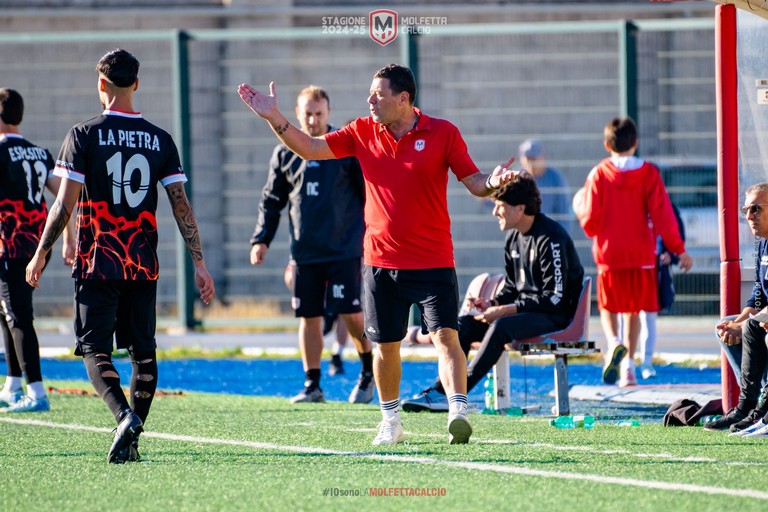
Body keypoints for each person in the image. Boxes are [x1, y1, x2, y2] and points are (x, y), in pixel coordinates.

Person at [238, 63, 516, 445]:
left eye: (378, 94)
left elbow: (475, 182)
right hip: (381, 263)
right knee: (386, 346)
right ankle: (390, 421)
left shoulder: (444, 132)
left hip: (434, 259)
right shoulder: (362, 130)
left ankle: (457, 410)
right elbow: (310, 148)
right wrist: (274, 117)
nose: (370, 99)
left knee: (446, 336)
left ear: (403, 99)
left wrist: (494, 183)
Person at [26, 49, 215, 463]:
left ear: (100, 85)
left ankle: (124, 417)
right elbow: (180, 203)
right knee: (143, 353)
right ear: (137, 84)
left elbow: (64, 204)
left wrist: (41, 252)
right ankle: (133, 439)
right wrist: (199, 262)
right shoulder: (160, 138)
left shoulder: (83, 134)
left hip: (98, 260)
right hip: (142, 262)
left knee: (95, 350)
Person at [402, 173, 584, 411]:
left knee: (501, 327)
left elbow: (555, 297)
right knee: (463, 324)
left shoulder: (551, 238)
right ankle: (440, 392)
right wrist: (490, 303)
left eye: (500, 206)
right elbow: (512, 287)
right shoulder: (513, 238)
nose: (494, 212)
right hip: (525, 313)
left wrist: (505, 310)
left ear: (520, 208)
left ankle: (458, 392)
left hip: (555, 316)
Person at [250, 85, 373, 404]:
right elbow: (272, 200)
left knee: (351, 312)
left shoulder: (343, 147)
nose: (313, 119)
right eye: (308, 113)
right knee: (309, 316)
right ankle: (312, 384)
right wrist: (261, 239)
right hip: (305, 252)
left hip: (344, 249)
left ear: (328, 113)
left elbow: (367, 196)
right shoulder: (284, 151)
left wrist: (369, 239)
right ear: (297, 113)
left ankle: (368, 371)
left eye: (319, 114)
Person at [573, 117, 692, 387]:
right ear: (635, 143)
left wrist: (580, 206)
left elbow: (590, 221)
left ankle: (614, 343)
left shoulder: (600, 173)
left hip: (609, 253)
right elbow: (663, 215)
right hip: (641, 254)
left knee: (608, 307)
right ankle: (629, 368)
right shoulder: (649, 173)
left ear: (607, 144)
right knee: (634, 310)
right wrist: (679, 249)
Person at [0, 88, 75, 413]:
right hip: (36, 244)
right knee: (7, 312)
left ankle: (37, 391)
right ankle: (13, 385)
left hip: (9, 244)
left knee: (18, 317)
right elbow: (63, 198)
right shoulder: (38, 153)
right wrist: (69, 238)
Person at [704, 183, 768, 434]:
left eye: (756, 209)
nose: (749, 216)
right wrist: (736, 324)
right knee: (725, 325)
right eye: (745, 210)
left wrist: (747, 324)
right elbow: (758, 296)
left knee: (752, 326)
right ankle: (752, 400)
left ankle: (755, 405)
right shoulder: (762, 243)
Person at [638, 202, 686, 379]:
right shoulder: (630, 203)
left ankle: (646, 362)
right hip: (632, 266)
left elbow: (677, 233)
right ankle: (625, 363)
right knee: (625, 314)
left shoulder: (668, 207)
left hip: (654, 270)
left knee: (648, 316)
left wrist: (672, 255)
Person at [518, 138, 571, 232]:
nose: (531, 163)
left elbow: (564, 213)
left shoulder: (556, 178)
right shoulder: (517, 177)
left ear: (543, 157)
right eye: (528, 159)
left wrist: (562, 239)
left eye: (534, 158)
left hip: (549, 235)